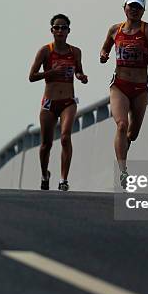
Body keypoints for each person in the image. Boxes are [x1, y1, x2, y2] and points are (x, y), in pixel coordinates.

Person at [99, 0, 148, 188]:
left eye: (138, 7)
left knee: (133, 133)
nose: (134, 10)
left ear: (143, 11)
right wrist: (104, 55)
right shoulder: (115, 30)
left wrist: (145, 51)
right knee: (121, 124)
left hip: (140, 87)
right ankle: (123, 171)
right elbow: (104, 49)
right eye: (131, 6)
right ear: (124, 8)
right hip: (119, 85)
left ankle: (124, 148)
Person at [29, 14, 88, 191]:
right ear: (52, 30)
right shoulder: (45, 51)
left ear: (69, 31)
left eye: (64, 28)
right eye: (57, 27)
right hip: (49, 102)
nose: (60, 31)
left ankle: (63, 180)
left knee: (65, 137)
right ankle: (44, 174)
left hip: (68, 102)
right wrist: (50, 73)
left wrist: (81, 76)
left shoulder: (75, 52)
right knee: (46, 144)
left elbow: (78, 71)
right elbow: (31, 76)